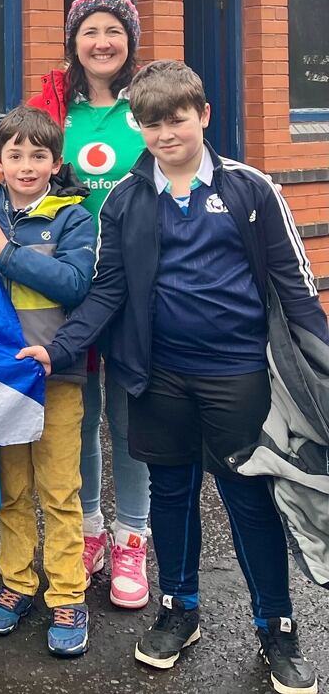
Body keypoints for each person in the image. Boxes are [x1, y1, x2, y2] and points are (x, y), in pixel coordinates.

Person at [20, 61, 326, 693]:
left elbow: (296, 290)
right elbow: (105, 291)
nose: (165, 135)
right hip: (158, 374)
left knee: (248, 500)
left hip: (238, 373)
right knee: (172, 495)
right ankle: (178, 609)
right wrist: (60, 349)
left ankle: (277, 627)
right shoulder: (127, 200)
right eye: (152, 124)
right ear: (139, 128)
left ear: (203, 116)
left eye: (176, 120)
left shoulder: (251, 190)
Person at [29, 0, 152, 608]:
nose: (102, 42)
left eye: (113, 30)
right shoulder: (54, 108)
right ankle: (92, 531)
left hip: (137, 287)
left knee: (132, 419)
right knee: (79, 418)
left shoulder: (149, 103)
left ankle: (134, 536)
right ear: (74, 43)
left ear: (129, 40)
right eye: (90, 31)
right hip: (71, 283)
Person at [0, 106, 96, 657]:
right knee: (12, 491)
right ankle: (18, 581)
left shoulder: (75, 217)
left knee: (60, 490)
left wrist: (6, 250)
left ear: (55, 162)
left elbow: (73, 284)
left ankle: (68, 592)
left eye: (37, 156)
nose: (26, 166)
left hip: (57, 376)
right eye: (15, 156)